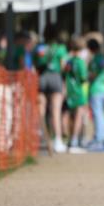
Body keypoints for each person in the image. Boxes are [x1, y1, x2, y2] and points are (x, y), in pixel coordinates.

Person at [35, 24, 68, 153]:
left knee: (41, 110)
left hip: (42, 77)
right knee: (55, 110)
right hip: (55, 77)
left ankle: (43, 138)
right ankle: (58, 141)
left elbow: (35, 63)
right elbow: (63, 65)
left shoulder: (40, 47)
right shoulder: (60, 48)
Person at [63, 36, 89, 153]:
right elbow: (83, 78)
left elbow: (65, 74)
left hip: (69, 91)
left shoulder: (68, 61)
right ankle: (74, 141)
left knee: (70, 116)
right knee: (79, 117)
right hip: (79, 92)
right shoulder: (80, 62)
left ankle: (69, 140)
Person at [86, 37, 104, 150]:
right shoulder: (103, 58)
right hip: (103, 89)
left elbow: (93, 74)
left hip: (96, 90)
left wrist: (85, 76)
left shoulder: (95, 59)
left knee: (97, 115)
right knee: (101, 114)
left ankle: (99, 139)